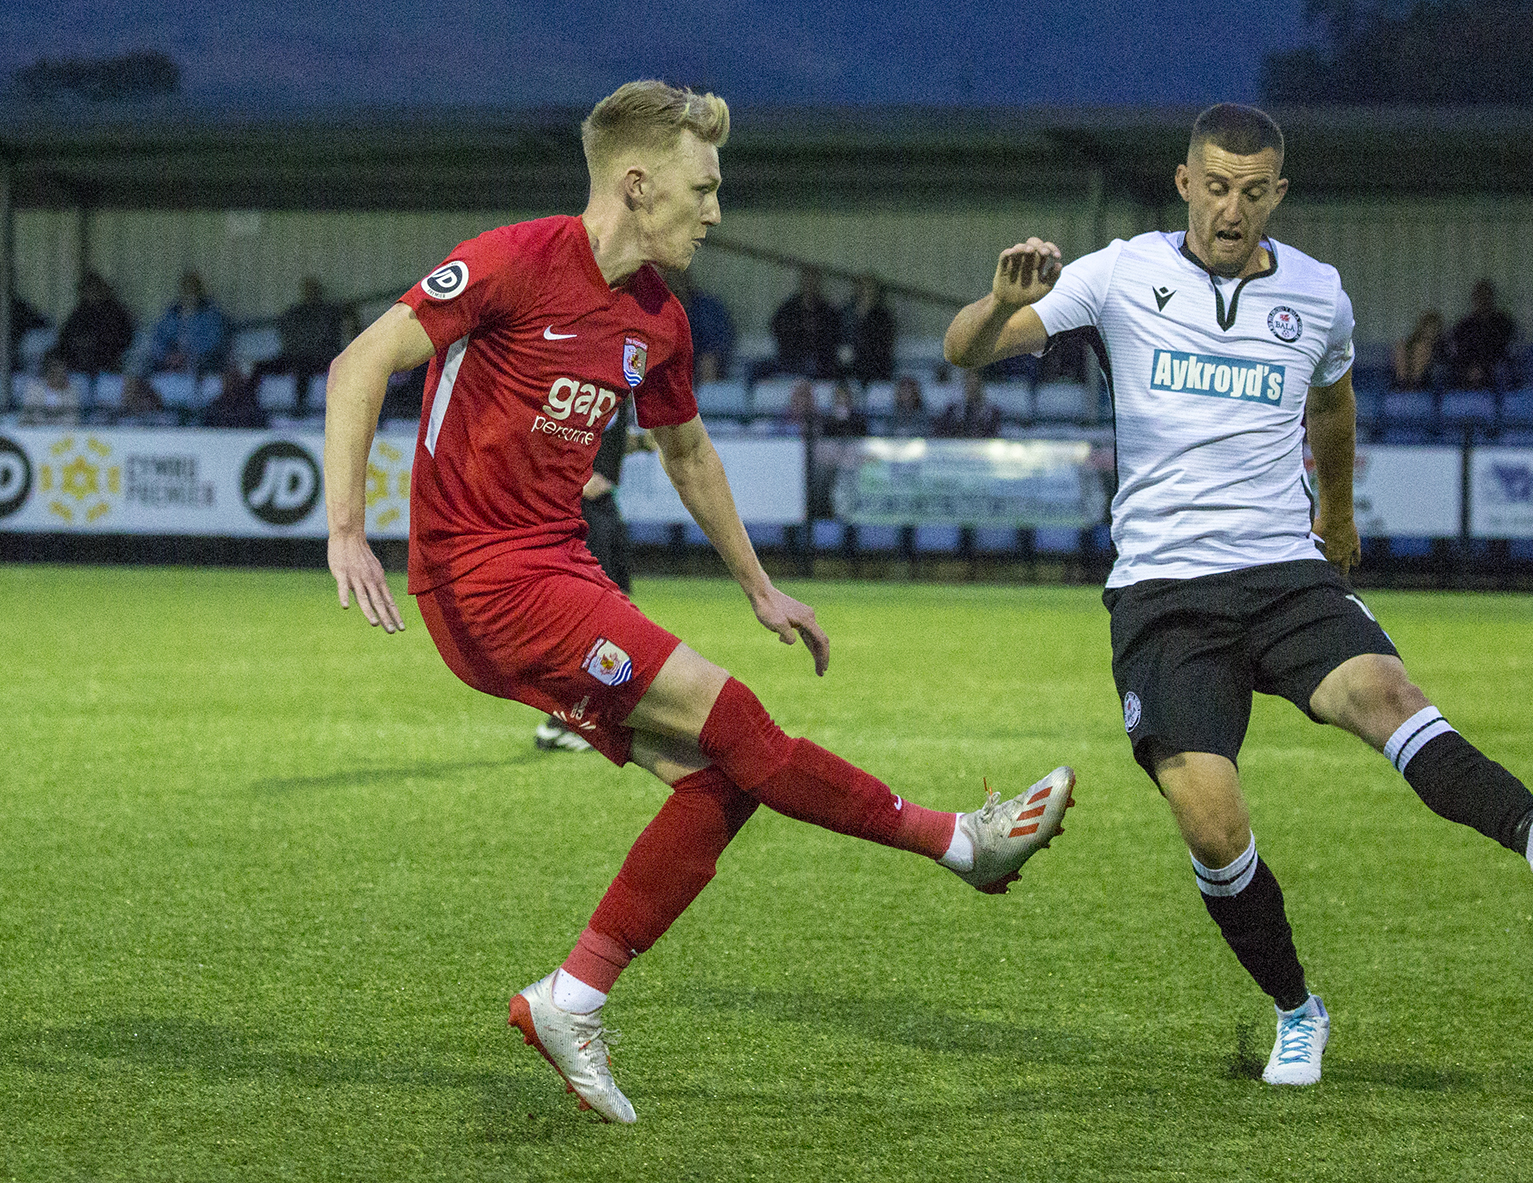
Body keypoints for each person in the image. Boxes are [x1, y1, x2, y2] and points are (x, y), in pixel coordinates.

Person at [322, 79, 1073, 1125]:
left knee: (724, 779)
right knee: (740, 722)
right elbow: (359, 362)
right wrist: (347, 524)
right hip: (486, 575)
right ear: (638, 184)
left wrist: (759, 586)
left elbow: (685, 449)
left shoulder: (657, 322)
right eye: (703, 187)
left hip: (557, 568)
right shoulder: (511, 260)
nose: (717, 210)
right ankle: (962, 843)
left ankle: (569, 996)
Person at [943, 101, 1533, 1089]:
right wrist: (992, 301)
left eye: (1252, 190)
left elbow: (1333, 401)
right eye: (1215, 186)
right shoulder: (1122, 271)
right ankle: (1296, 1010)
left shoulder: (1319, 293)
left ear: (1276, 193)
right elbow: (966, 350)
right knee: (1212, 821)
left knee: (1389, 697)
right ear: (1185, 182)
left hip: (1283, 570)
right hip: (1164, 592)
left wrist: (1344, 515)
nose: (1230, 209)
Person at [535, 399, 641, 752]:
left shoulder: (621, 384)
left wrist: (640, 443)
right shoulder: (590, 379)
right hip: (582, 509)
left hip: (604, 504)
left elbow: (605, 438)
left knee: (619, 612)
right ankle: (566, 719)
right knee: (595, 621)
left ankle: (585, 714)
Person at [255, 277, 352, 413]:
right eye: (307, 291)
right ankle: (250, 405)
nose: (310, 294)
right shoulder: (297, 312)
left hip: (320, 357)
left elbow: (329, 339)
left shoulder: (327, 313)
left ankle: (300, 408)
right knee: (260, 367)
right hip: (294, 355)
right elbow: (286, 332)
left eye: (313, 291)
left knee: (303, 368)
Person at [146, 272, 230, 376]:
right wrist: (167, 356)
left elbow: (213, 341)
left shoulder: (210, 315)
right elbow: (158, 339)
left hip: (199, 361)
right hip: (171, 361)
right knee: (147, 364)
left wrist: (187, 355)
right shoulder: (171, 314)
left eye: (193, 292)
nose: (189, 296)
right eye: (186, 291)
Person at [53, 272, 135, 377]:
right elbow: (66, 336)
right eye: (87, 291)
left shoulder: (115, 311)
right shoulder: (80, 311)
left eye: (94, 289)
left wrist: (93, 341)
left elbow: (121, 337)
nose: (91, 294)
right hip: (78, 357)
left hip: (106, 355)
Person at [768, 267, 840, 379]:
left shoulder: (827, 310)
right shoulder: (788, 309)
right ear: (801, 283)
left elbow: (833, 339)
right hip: (792, 360)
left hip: (820, 364)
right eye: (807, 281)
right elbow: (776, 330)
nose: (810, 285)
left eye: (814, 281)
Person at [1447, 279, 1514, 390]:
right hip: (1467, 370)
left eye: (1486, 296)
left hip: (1493, 369)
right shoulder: (1463, 325)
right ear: (1474, 299)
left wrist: (1484, 368)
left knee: (1502, 371)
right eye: (1479, 296)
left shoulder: (1503, 322)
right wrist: (1469, 368)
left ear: (1492, 298)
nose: (1483, 300)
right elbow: (1456, 352)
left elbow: (1507, 350)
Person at [840, 274, 896, 382]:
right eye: (861, 287)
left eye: (868, 288)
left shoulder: (883, 316)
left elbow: (883, 346)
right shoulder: (847, 312)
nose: (865, 292)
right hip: (849, 369)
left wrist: (857, 352)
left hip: (875, 369)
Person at [931, 370, 1002, 437]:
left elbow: (994, 434)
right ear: (965, 385)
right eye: (969, 383)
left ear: (980, 386)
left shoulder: (991, 412)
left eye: (975, 384)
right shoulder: (953, 410)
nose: (972, 387)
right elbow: (943, 431)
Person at [17, 352, 81, 426]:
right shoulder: (34, 389)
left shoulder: (71, 391)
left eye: (61, 372)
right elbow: (26, 414)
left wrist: (54, 425)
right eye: (54, 372)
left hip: (61, 432)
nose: (58, 376)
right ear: (48, 372)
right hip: (36, 431)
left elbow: (74, 418)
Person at [1391, 309, 1446, 390]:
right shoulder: (1412, 342)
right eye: (1428, 327)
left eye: (1433, 328)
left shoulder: (1441, 345)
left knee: (1422, 347)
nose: (1430, 331)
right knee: (1401, 345)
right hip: (1405, 376)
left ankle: (1415, 383)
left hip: (1425, 377)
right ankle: (1402, 383)